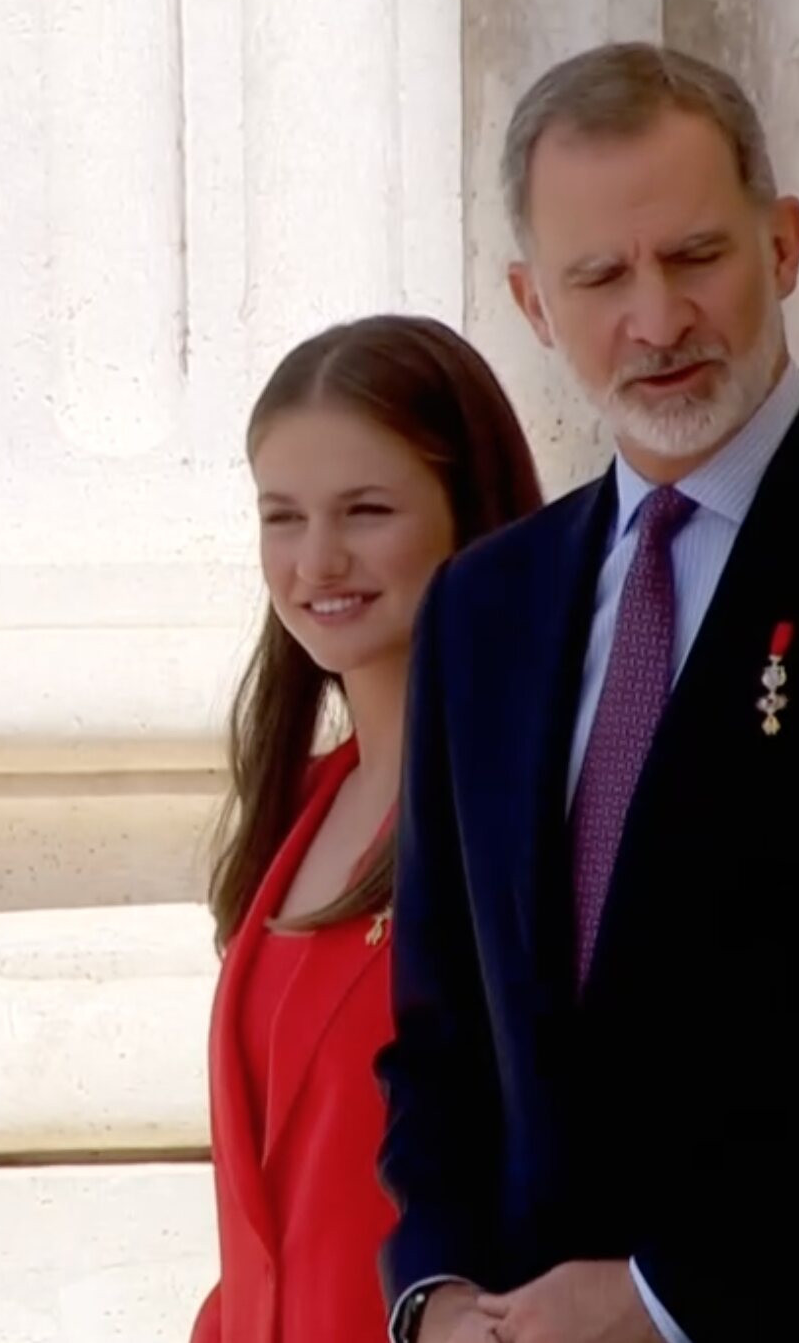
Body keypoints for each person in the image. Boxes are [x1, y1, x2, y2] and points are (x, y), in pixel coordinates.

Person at [376, 42, 799, 1343]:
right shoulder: (482, 607)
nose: (657, 319)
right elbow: (440, 1023)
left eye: (696, 257)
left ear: (786, 244)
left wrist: (666, 1299)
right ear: (533, 302)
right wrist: (436, 1296)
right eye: (600, 277)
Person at [194, 314, 544, 1343]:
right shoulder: (299, 802)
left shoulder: (525, 812)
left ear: (465, 513)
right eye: (281, 517)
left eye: (367, 510)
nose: (318, 560)